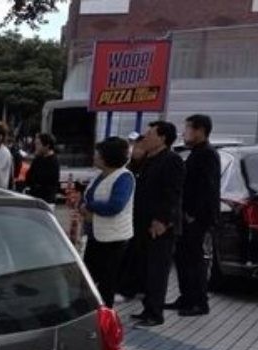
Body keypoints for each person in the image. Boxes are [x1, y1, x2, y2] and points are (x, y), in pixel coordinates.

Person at [130, 121, 185, 327]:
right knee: (144, 268)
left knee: (157, 270)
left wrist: (163, 220)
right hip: (142, 222)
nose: (145, 137)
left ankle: (155, 313)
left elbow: (173, 194)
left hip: (160, 226)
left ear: (162, 138)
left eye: (150, 133)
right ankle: (147, 308)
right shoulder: (148, 159)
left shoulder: (172, 160)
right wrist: (135, 159)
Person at [167, 114, 220, 317]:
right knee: (183, 258)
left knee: (194, 259)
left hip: (197, 218)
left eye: (188, 128)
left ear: (200, 130)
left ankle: (199, 301)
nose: (184, 133)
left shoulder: (207, 154)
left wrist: (192, 213)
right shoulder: (196, 153)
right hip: (187, 216)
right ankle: (186, 296)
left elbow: (206, 188)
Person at [79, 137, 135, 307]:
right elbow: (88, 196)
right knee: (88, 278)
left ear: (107, 157)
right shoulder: (100, 175)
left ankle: (105, 314)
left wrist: (89, 207)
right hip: (95, 235)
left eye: (98, 153)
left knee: (107, 282)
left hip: (113, 238)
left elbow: (115, 205)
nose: (95, 156)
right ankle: (89, 309)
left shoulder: (124, 177)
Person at [24, 133, 61, 203]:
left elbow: (47, 183)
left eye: (38, 144)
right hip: (34, 198)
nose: (36, 147)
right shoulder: (38, 159)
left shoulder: (53, 162)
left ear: (47, 146)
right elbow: (28, 178)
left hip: (46, 201)